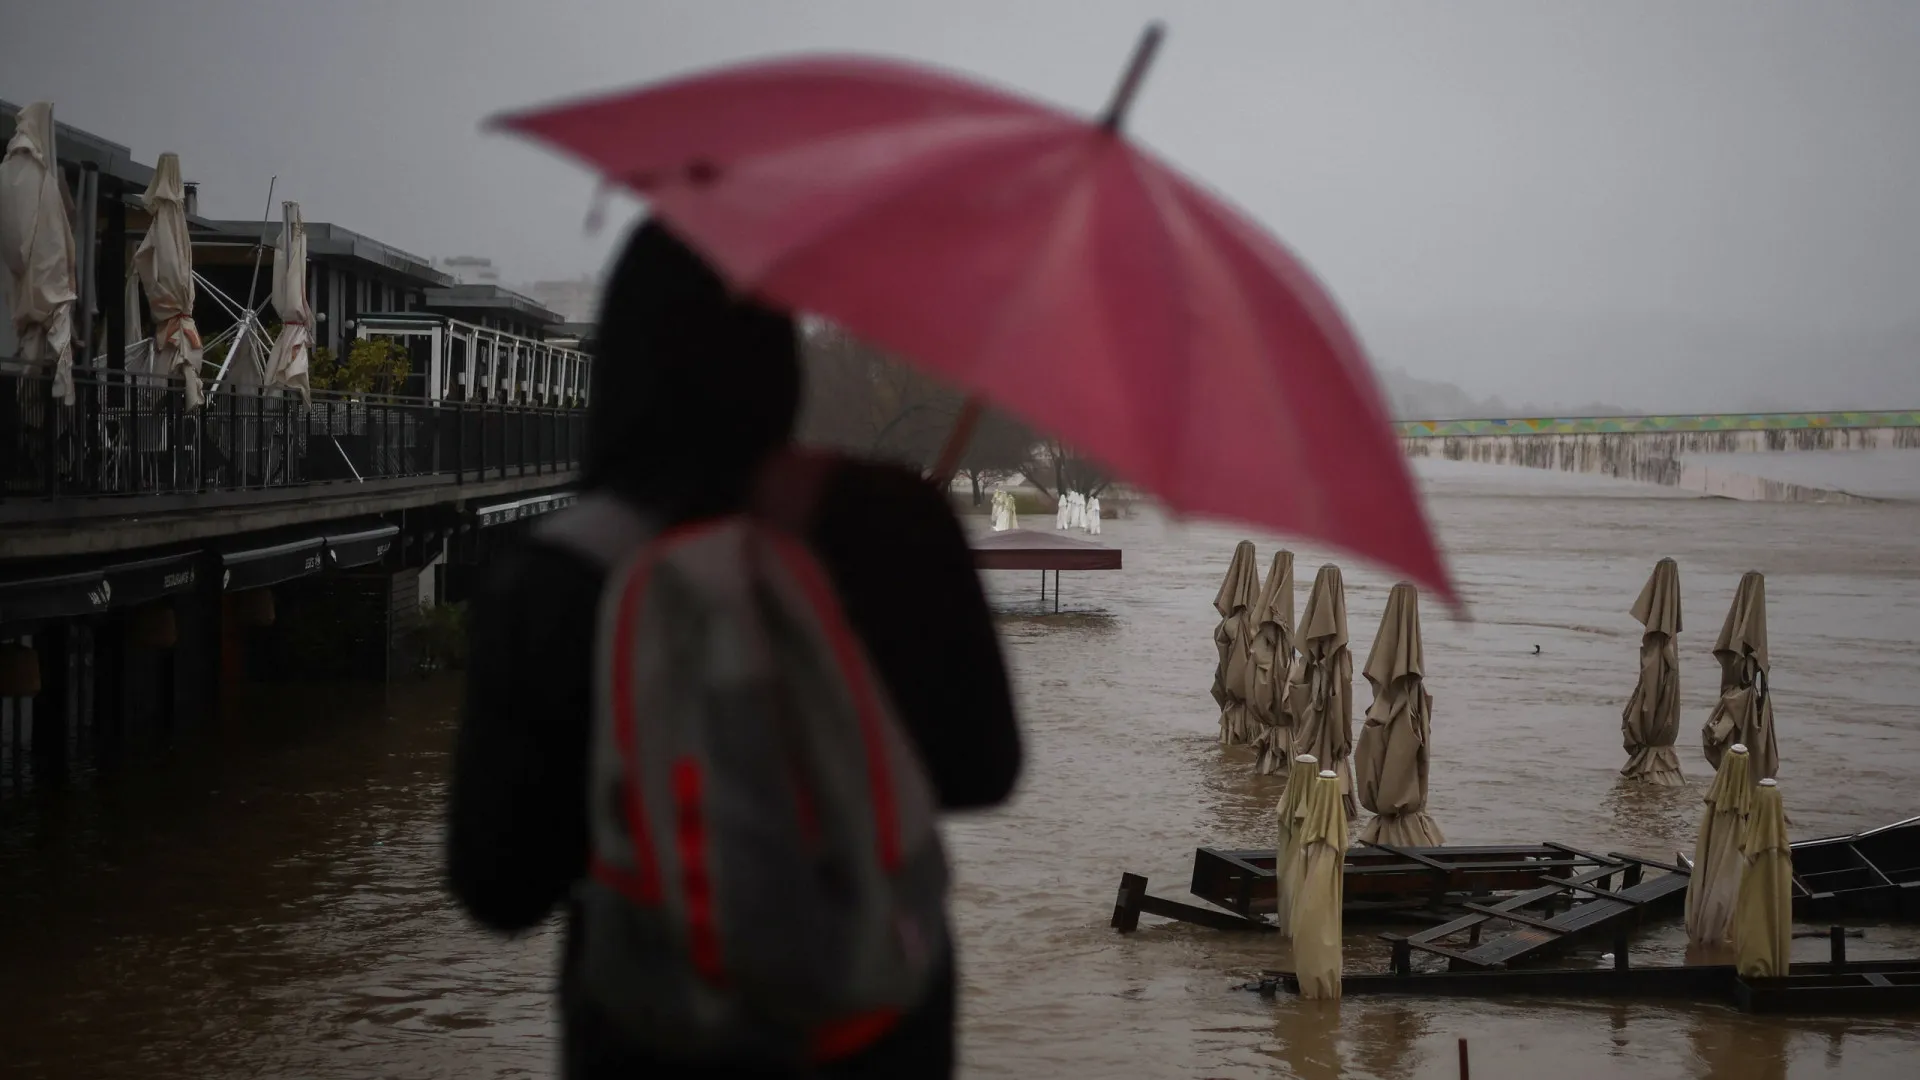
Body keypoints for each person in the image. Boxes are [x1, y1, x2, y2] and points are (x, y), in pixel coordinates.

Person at [446, 219, 1021, 1079]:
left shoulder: (558, 570)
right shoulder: (893, 523)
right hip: (877, 1029)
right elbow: (986, 771)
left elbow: (498, 886)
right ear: (778, 351)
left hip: (649, 1036)